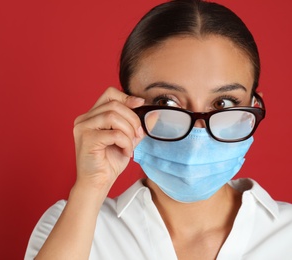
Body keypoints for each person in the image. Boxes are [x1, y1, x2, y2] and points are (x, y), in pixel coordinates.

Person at [25, 0, 292, 259]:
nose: (197, 133)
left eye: (223, 103)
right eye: (166, 101)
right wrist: (90, 189)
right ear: (124, 106)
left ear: (252, 108)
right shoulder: (73, 224)